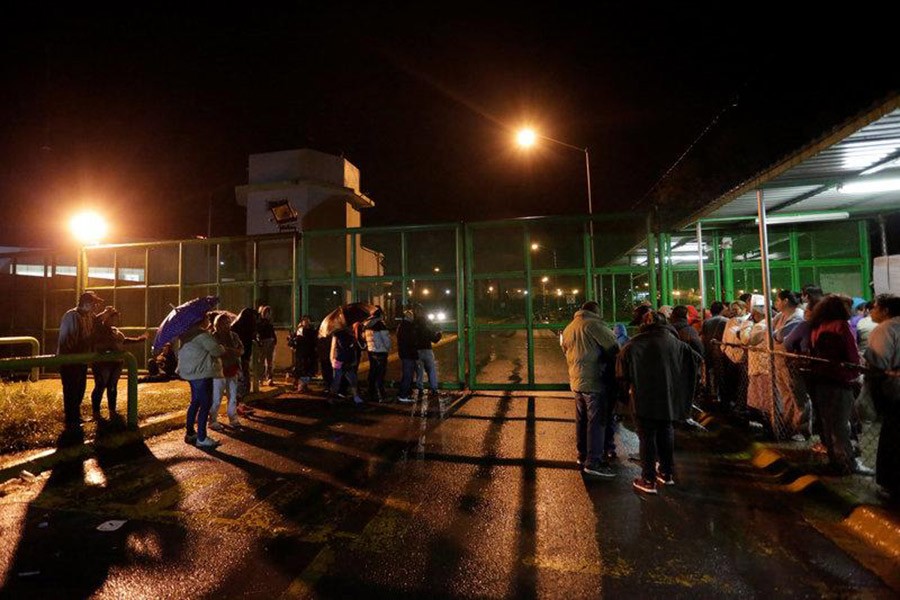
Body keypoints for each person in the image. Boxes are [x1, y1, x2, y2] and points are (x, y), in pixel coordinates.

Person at [618, 309, 701, 494]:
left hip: (643, 398)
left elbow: (622, 374)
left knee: (647, 436)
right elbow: (696, 362)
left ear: (643, 325)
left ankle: (648, 480)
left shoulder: (633, 345)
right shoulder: (678, 344)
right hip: (670, 398)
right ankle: (667, 473)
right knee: (666, 431)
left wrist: (624, 397)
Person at [808, 294, 868, 475]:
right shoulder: (841, 326)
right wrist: (856, 373)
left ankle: (835, 460)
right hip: (840, 379)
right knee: (842, 424)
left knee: (828, 423)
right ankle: (849, 462)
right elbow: (851, 355)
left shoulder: (817, 327)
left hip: (820, 378)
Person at [560, 301, 620, 478]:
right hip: (596, 381)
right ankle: (594, 461)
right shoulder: (594, 325)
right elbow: (614, 348)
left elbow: (565, 350)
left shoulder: (569, 327)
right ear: (595, 311)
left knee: (582, 420)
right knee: (597, 421)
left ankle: (582, 454)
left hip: (577, 381)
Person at [864, 294, 900, 499]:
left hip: (894, 392)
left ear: (886, 310)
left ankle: (892, 484)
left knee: (892, 438)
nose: (871, 310)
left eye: (875, 307)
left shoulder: (885, 330)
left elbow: (878, 362)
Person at [57, 291, 108, 428]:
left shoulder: (88, 316)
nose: (95, 307)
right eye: (94, 304)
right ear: (86, 304)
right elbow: (74, 342)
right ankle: (71, 420)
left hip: (81, 360)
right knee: (71, 390)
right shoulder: (71, 316)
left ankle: (75, 417)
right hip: (70, 360)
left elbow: (94, 324)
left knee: (79, 389)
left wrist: (103, 316)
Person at [90, 307, 148, 419]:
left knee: (112, 386)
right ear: (107, 319)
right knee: (100, 386)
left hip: (116, 363)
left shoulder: (115, 331)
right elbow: (96, 322)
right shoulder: (99, 329)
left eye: (117, 319)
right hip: (103, 363)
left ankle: (112, 410)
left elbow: (123, 340)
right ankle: (96, 412)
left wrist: (139, 339)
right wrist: (105, 313)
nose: (115, 321)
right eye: (113, 319)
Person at [176, 317, 225, 448]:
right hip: (202, 373)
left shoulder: (186, 335)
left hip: (191, 373)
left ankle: (190, 432)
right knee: (205, 403)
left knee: (195, 402)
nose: (208, 319)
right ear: (200, 320)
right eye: (206, 318)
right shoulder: (203, 335)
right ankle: (202, 437)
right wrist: (221, 346)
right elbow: (217, 351)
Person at [772, 290, 809, 439]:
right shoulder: (780, 316)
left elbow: (779, 336)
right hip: (780, 360)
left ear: (785, 301)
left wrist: (775, 334)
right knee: (786, 394)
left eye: (777, 300)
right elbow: (772, 333)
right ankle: (788, 425)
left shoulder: (797, 317)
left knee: (798, 396)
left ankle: (802, 429)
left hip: (792, 362)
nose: (775, 303)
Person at [209, 313, 244, 431]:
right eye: (223, 323)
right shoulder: (213, 337)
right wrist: (231, 351)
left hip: (232, 369)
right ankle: (212, 419)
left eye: (228, 323)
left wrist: (228, 350)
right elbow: (215, 352)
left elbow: (240, 350)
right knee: (216, 397)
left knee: (232, 396)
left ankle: (233, 418)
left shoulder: (234, 336)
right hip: (218, 371)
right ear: (217, 325)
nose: (226, 325)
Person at [231, 307, 258, 415]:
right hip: (239, 357)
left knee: (243, 381)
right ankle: (238, 405)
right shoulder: (238, 328)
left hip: (243, 356)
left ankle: (240, 403)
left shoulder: (243, 326)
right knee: (241, 381)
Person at [701, 301, 729, 403]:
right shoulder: (726, 321)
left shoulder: (707, 322)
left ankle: (712, 393)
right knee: (721, 375)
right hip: (721, 352)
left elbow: (703, 337)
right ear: (722, 309)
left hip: (708, 350)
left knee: (710, 373)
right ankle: (722, 397)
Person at [330, 325, 364, 405]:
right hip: (341, 360)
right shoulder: (340, 334)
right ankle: (332, 396)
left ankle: (355, 396)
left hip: (344, 360)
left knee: (351, 379)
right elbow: (339, 346)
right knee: (338, 380)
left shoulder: (345, 334)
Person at [413, 305, 441, 398]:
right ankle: (433, 388)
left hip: (417, 351)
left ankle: (420, 389)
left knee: (419, 372)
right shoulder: (427, 325)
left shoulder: (412, 324)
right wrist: (439, 333)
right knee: (431, 370)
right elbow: (435, 339)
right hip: (427, 350)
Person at [363, 308, 391, 402]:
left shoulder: (367, 325)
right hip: (381, 351)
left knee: (373, 372)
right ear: (380, 315)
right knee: (380, 374)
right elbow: (386, 340)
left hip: (371, 351)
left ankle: (371, 393)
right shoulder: (380, 325)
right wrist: (388, 348)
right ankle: (381, 396)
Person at [396, 308, 419, 404]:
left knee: (407, 375)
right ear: (407, 317)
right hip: (408, 355)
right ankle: (403, 395)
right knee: (408, 375)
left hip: (406, 354)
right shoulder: (407, 327)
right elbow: (410, 342)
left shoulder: (403, 326)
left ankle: (404, 393)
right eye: (411, 315)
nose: (413, 317)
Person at [290, 315, 318, 392]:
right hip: (302, 353)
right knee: (302, 369)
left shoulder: (311, 330)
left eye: (307, 320)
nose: (306, 322)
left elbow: (314, 341)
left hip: (309, 352)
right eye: (304, 320)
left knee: (307, 369)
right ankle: (301, 386)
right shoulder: (300, 330)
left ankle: (304, 386)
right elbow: (295, 341)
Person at [257, 305, 277, 386]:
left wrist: (274, 339)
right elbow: (259, 332)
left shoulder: (268, 322)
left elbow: (272, 331)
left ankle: (269, 378)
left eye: (269, 313)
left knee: (269, 361)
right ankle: (260, 379)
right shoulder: (261, 322)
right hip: (264, 341)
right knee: (262, 361)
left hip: (270, 341)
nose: (268, 315)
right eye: (267, 313)